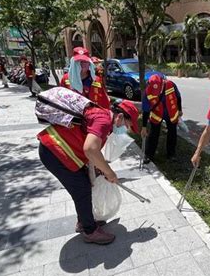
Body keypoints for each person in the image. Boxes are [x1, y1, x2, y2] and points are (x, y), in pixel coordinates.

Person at [37, 98, 140, 244]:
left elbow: (92, 149)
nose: (124, 128)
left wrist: (100, 169)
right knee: (82, 189)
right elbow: (90, 149)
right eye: (126, 125)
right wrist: (109, 172)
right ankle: (90, 231)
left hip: (61, 150)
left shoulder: (104, 119)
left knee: (84, 186)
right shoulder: (103, 121)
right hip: (54, 151)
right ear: (120, 116)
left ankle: (85, 221)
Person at [141, 74, 182, 163]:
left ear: (162, 83)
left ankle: (171, 154)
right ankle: (149, 155)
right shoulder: (147, 92)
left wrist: (179, 109)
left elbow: (178, 97)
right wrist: (144, 127)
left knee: (172, 133)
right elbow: (146, 110)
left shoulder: (170, 84)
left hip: (171, 112)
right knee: (153, 134)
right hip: (157, 114)